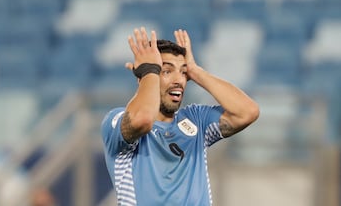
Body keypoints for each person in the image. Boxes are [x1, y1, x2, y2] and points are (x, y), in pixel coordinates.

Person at [101, 27, 260, 206]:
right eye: (167, 71)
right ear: (144, 77)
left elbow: (248, 112)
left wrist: (196, 71)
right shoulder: (116, 120)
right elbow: (143, 120)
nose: (179, 80)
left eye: (183, 73)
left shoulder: (196, 120)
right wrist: (149, 70)